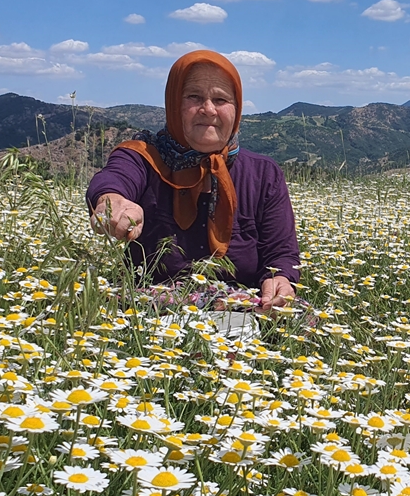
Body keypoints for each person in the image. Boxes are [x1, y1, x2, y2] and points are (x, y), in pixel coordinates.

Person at [87, 50, 299, 310]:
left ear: (237, 109)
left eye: (220, 99)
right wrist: (112, 201)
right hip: (151, 313)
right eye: (194, 97)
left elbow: (281, 255)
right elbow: (114, 179)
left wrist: (280, 281)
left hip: (245, 312)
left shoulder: (263, 174)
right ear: (174, 104)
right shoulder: (143, 158)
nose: (208, 109)